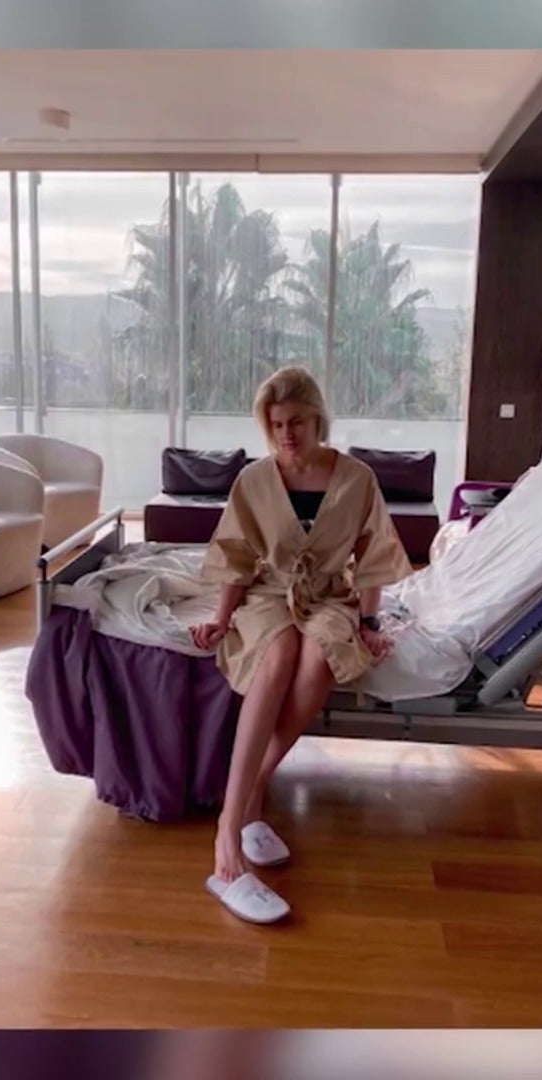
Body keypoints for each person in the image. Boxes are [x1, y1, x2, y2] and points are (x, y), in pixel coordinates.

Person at [188, 366, 413, 922]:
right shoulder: (254, 480)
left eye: (296, 422)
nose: (286, 435)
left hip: (330, 597)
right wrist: (221, 619)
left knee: (318, 658)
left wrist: (369, 624)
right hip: (270, 593)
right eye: (276, 425)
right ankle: (228, 839)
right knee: (280, 653)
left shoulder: (356, 479)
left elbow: (373, 558)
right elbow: (237, 557)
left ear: (317, 419)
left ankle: (246, 797)